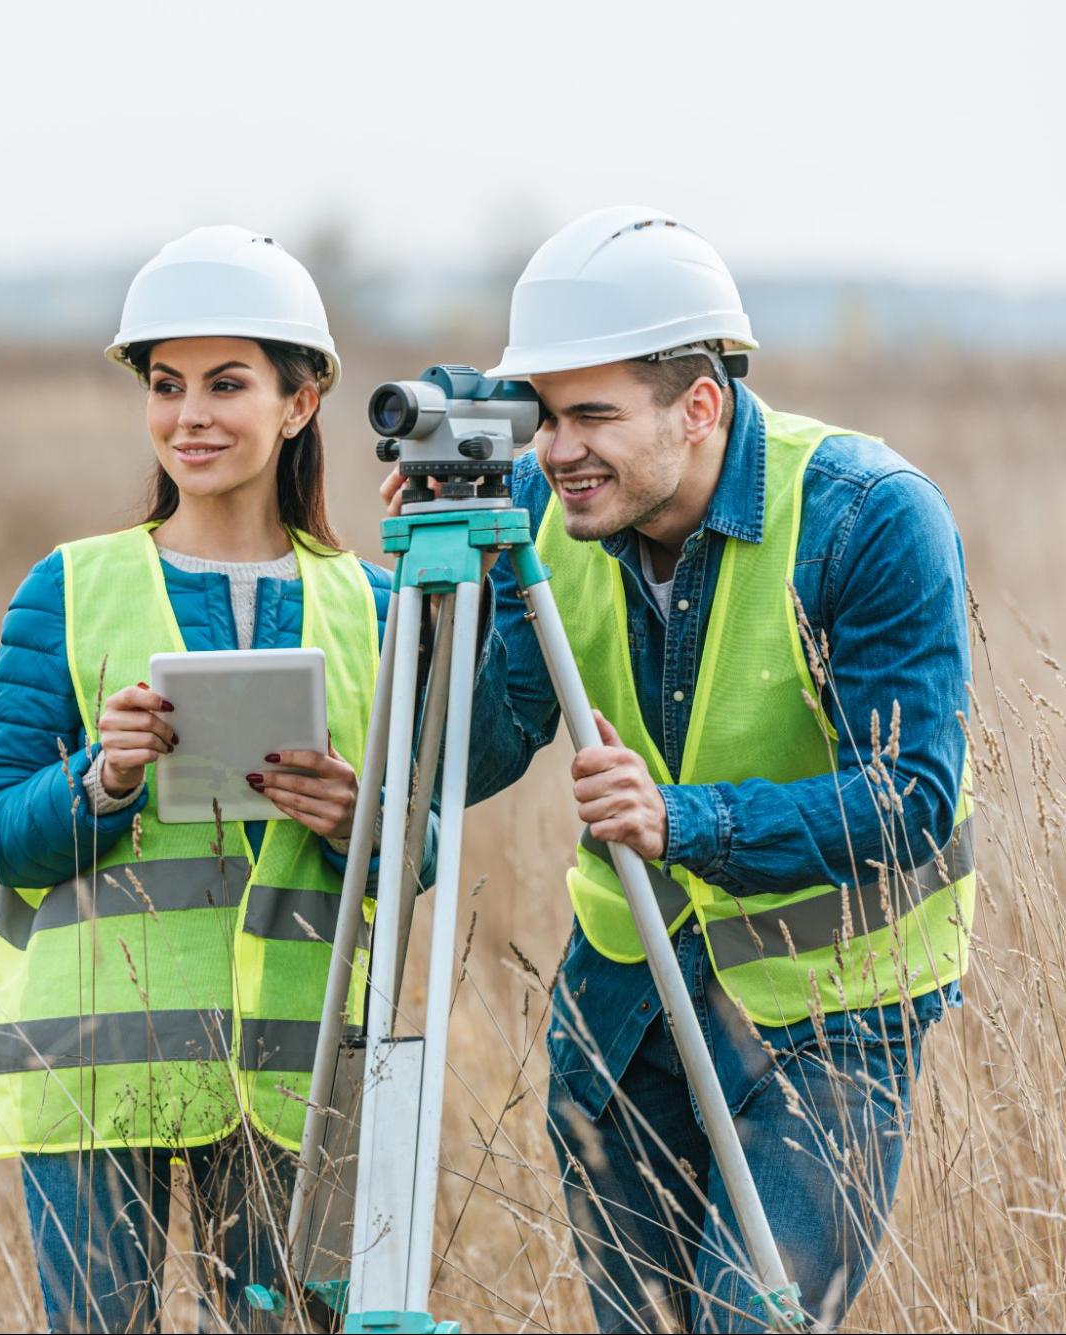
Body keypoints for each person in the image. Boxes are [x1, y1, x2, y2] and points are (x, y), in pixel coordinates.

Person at [383, 206, 975, 1332]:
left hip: (832, 1022)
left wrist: (686, 822)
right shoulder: (537, 511)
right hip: (626, 999)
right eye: (544, 416)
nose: (557, 451)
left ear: (698, 405)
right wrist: (433, 602)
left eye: (592, 415)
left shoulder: (867, 517)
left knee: (753, 1321)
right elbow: (495, 736)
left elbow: (911, 800)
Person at [0, 225, 402, 1332]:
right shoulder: (68, 587)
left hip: (295, 1068)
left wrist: (360, 819)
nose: (188, 416)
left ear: (299, 404)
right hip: (96, 1064)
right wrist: (101, 781)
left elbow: (425, 846)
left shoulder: (381, 603)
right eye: (165, 386)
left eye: (225, 384)